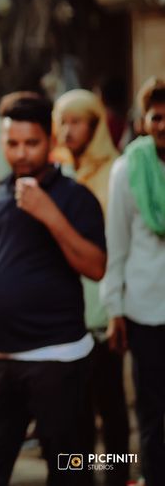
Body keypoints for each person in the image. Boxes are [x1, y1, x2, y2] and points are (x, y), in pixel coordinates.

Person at [0, 92, 107, 485]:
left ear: (51, 140)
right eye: (12, 143)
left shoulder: (75, 197)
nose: (21, 153)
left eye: (31, 143)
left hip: (58, 359)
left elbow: (95, 267)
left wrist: (49, 214)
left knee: (70, 469)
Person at [53, 89, 129, 482]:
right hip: (64, 313)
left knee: (111, 407)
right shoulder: (55, 174)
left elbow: (119, 246)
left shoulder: (116, 171)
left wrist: (116, 307)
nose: (67, 131)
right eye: (62, 122)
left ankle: (118, 476)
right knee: (73, 414)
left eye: (77, 122)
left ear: (95, 125)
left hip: (102, 307)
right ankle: (80, 476)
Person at [102, 77, 165, 486]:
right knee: (152, 410)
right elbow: (117, 244)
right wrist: (115, 310)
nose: (164, 124)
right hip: (146, 309)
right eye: (157, 116)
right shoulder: (128, 169)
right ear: (144, 122)